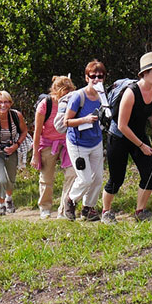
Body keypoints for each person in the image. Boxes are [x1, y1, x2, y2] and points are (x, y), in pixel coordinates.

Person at [101, 54, 152, 223]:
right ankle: (106, 212)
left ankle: (140, 211)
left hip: (138, 134)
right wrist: (141, 145)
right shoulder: (130, 93)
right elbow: (122, 125)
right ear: (144, 73)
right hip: (119, 137)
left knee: (149, 174)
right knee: (117, 178)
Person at [61, 61, 110, 222]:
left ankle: (88, 209)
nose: (96, 79)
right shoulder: (79, 97)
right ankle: (70, 201)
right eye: (93, 76)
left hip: (95, 141)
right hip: (77, 143)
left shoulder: (103, 96)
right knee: (85, 178)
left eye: (100, 76)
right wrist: (84, 119)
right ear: (86, 77)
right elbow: (66, 122)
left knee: (97, 179)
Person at [31, 78, 74, 219]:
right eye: (65, 92)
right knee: (46, 177)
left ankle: (64, 209)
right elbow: (37, 132)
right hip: (48, 142)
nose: (67, 95)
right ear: (56, 91)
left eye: (70, 91)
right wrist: (35, 155)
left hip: (67, 142)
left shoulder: (72, 102)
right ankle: (45, 207)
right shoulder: (45, 104)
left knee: (72, 174)